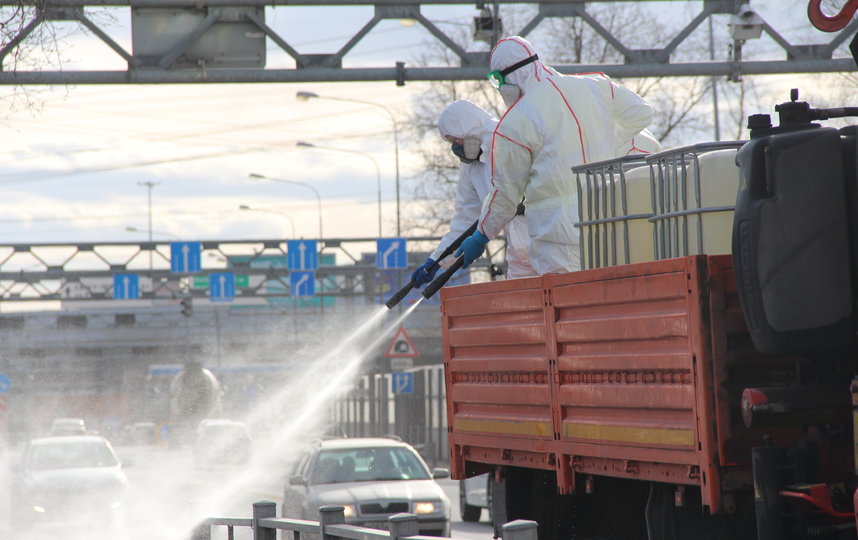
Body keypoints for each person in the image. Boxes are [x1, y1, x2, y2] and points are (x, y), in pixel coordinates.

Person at [455, 36, 655, 275]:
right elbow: (642, 113)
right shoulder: (596, 86)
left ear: (503, 78)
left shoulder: (515, 123)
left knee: (569, 307)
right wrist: (603, 140)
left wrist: (481, 235)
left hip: (558, 240)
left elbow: (506, 193)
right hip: (608, 224)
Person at [411, 100, 536, 287]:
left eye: (456, 140)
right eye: (452, 142)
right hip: (520, 257)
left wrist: (482, 235)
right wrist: (436, 262)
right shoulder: (471, 168)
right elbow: (465, 219)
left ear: (468, 127)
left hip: (548, 241)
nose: (456, 147)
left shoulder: (510, 139)